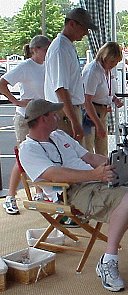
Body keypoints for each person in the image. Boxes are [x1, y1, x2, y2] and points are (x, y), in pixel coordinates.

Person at [19, 99, 128, 292]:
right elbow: (52, 175)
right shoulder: (28, 149)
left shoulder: (59, 135)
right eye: (53, 114)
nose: (57, 116)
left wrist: (118, 164)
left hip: (94, 181)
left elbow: (90, 157)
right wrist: (93, 175)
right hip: (72, 191)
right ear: (43, 119)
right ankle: (108, 260)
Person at [0, 35, 50, 214]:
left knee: (43, 154)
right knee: (23, 157)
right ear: (35, 50)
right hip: (26, 118)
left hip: (42, 116)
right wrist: (16, 101)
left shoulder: (48, 66)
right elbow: (2, 83)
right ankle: (11, 196)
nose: (48, 53)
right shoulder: (25, 67)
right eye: (45, 49)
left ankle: (38, 192)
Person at [44, 7, 97, 143]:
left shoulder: (66, 46)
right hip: (64, 112)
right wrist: (74, 120)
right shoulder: (60, 48)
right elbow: (60, 88)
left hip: (68, 110)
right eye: (84, 28)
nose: (85, 33)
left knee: (75, 155)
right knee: (70, 156)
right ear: (72, 24)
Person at [82, 42, 124, 156]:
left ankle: (103, 171)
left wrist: (114, 99)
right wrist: (98, 124)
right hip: (90, 112)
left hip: (102, 111)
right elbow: (87, 101)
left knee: (103, 148)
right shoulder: (93, 71)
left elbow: (105, 90)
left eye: (116, 62)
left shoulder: (107, 70)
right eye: (112, 61)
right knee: (88, 148)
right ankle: (90, 173)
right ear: (104, 57)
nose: (114, 65)